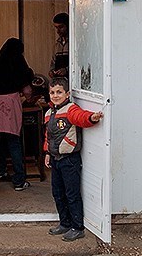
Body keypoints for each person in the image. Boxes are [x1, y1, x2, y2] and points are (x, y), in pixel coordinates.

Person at [43, 77, 104, 241]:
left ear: (67, 94)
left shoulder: (70, 109)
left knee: (72, 194)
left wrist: (92, 117)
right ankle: (64, 223)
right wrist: (47, 153)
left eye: (59, 92)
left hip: (69, 160)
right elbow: (48, 136)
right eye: (52, 92)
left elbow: (81, 117)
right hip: (56, 159)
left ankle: (77, 227)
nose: (55, 95)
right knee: (58, 193)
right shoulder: (49, 114)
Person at [0, 37, 34, 190]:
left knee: (0, 135)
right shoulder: (18, 62)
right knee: (14, 139)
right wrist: (29, 97)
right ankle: (19, 180)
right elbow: (27, 89)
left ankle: (0, 170)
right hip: (8, 103)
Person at [48, 12, 69, 80]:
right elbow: (53, 62)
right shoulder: (57, 45)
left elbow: (79, 64)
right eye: (56, 27)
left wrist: (66, 70)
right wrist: (51, 71)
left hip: (72, 81)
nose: (58, 31)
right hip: (59, 82)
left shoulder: (74, 44)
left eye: (61, 27)